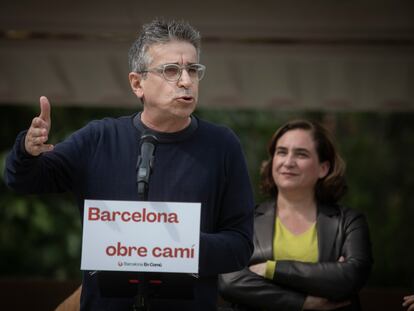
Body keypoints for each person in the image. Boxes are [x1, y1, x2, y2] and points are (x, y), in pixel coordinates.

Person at [4, 19, 254, 311]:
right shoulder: (99, 138)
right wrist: (27, 149)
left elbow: (240, 246)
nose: (186, 80)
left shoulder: (222, 145)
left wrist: (176, 246)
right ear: (137, 84)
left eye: (193, 70)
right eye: (171, 70)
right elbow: (23, 180)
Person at [219, 119, 373, 310]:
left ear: (323, 168)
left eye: (301, 154)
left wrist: (269, 269)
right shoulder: (245, 219)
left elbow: (351, 277)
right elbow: (228, 280)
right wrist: (302, 302)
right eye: (281, 152)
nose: (288, 162)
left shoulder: (349, 222)